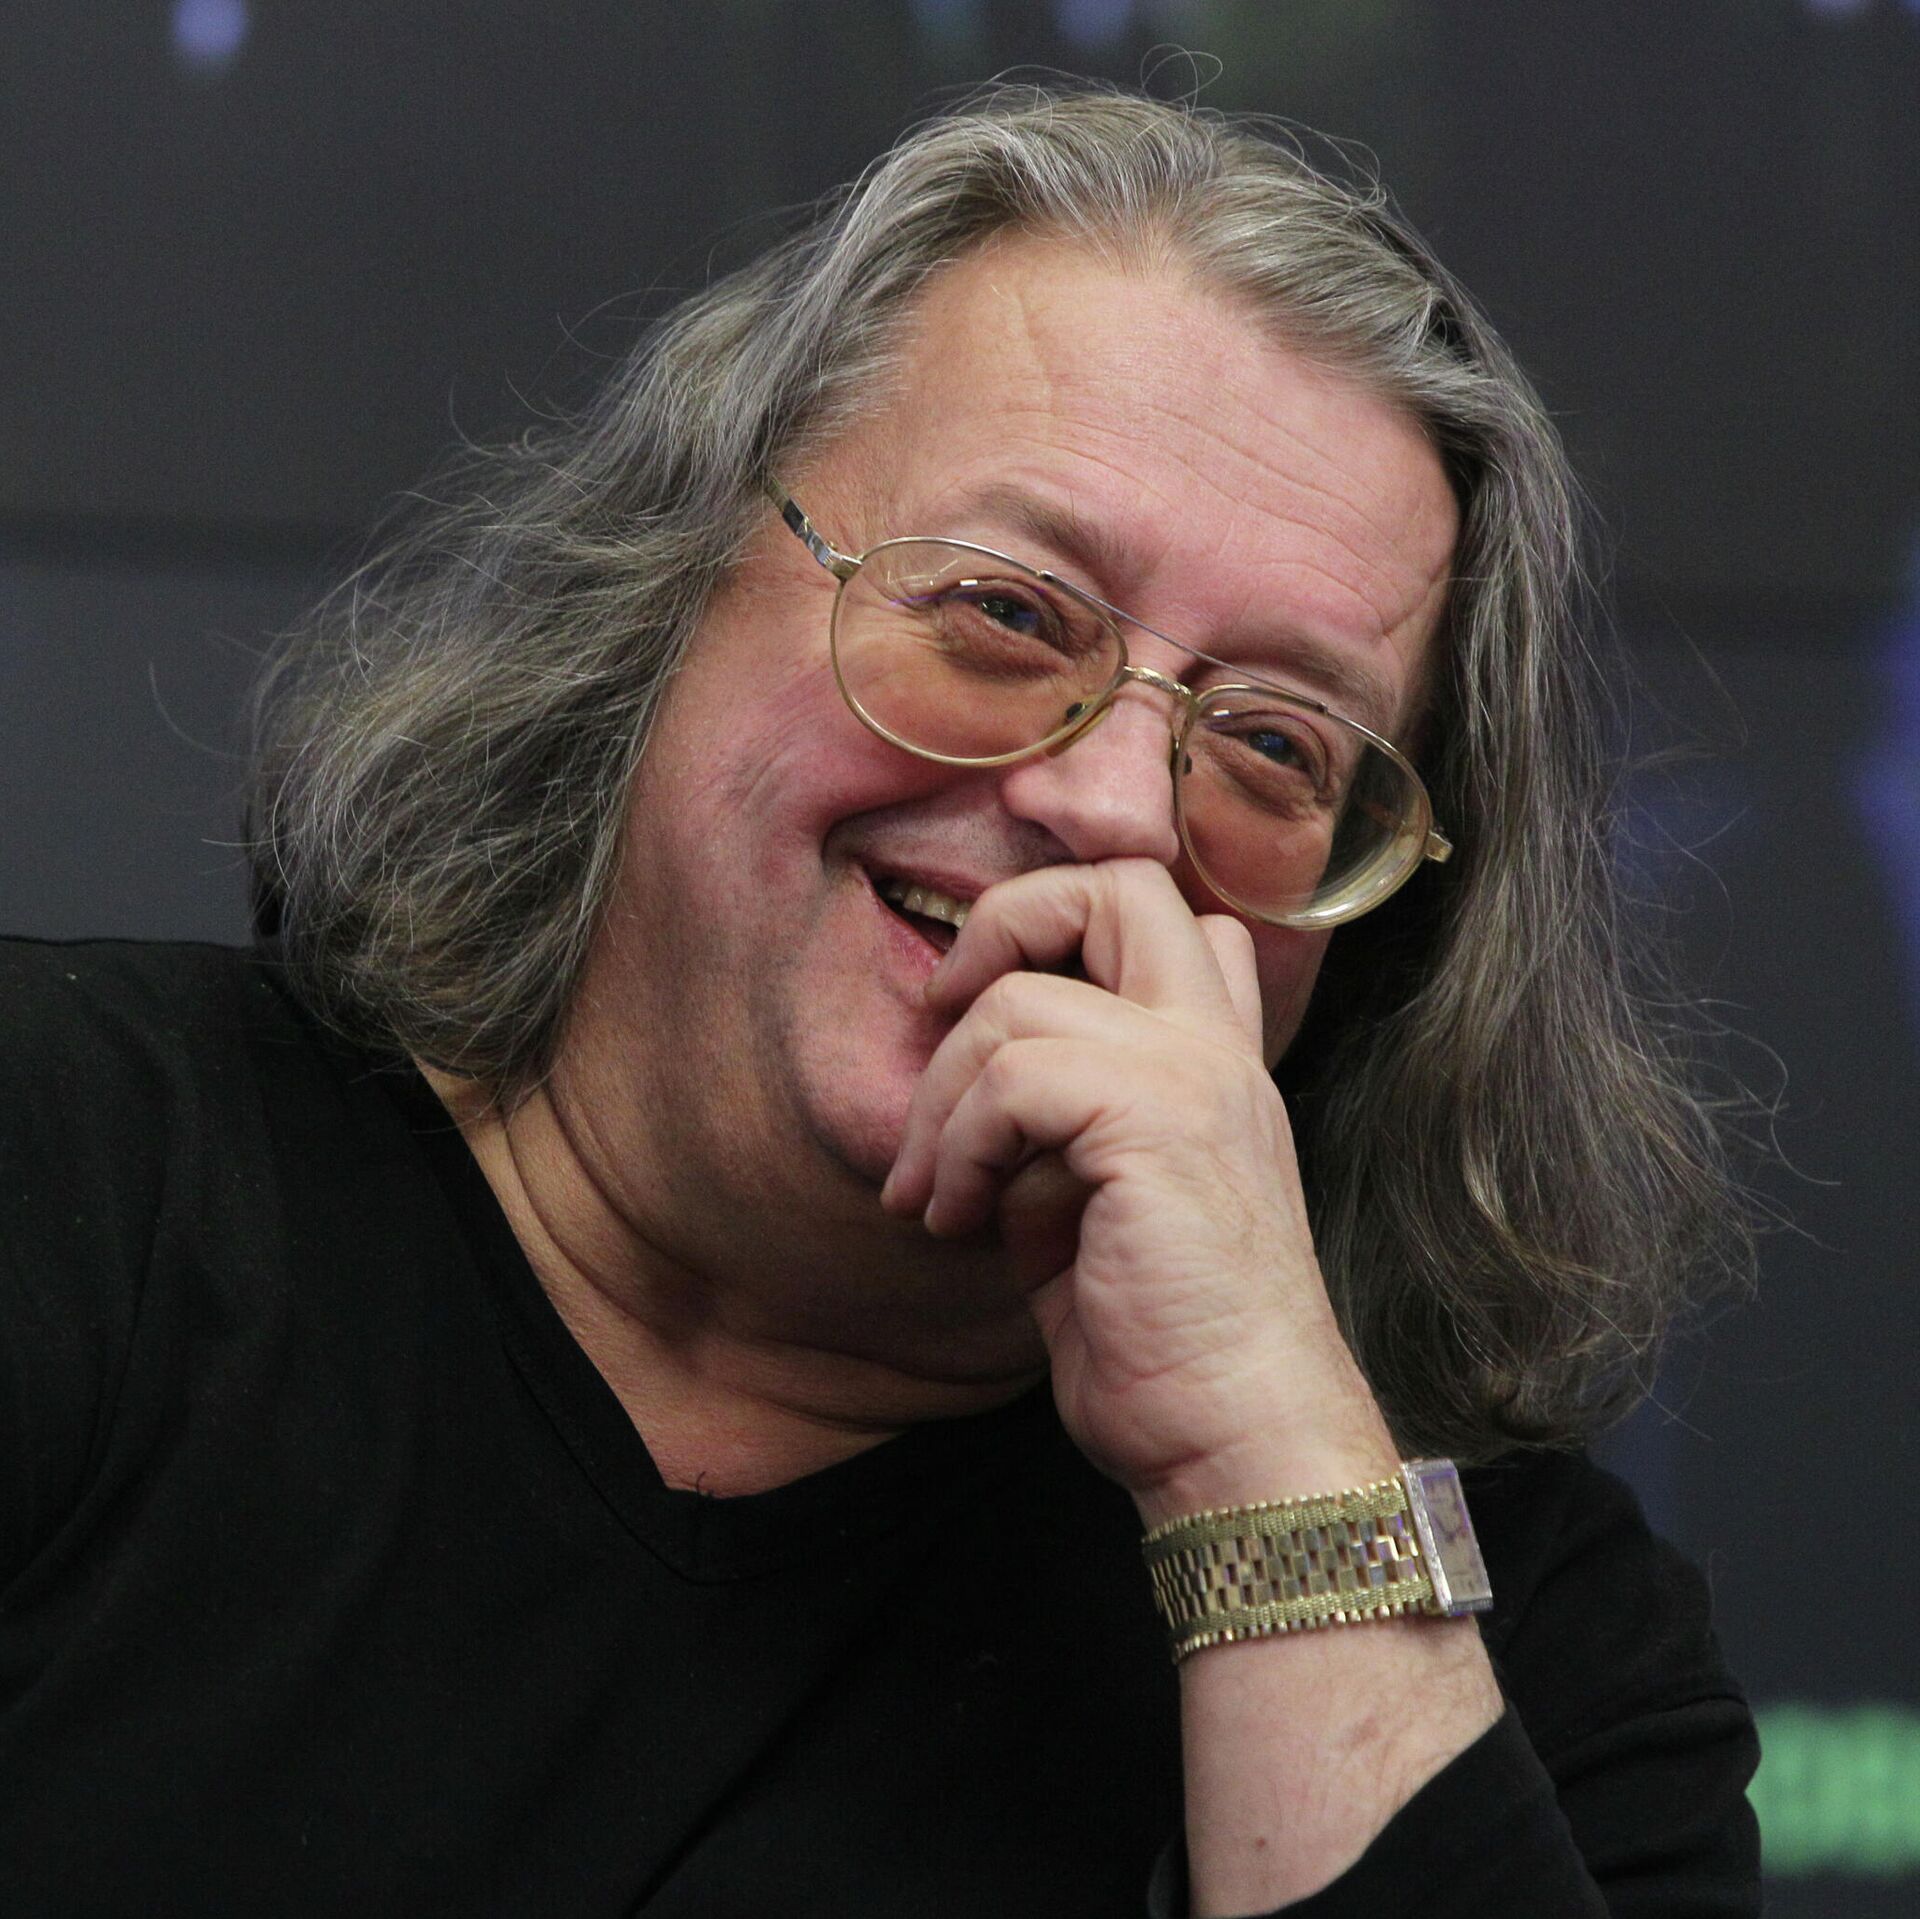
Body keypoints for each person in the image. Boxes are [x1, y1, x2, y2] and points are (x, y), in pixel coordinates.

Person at [0, 86, 1759, 1915]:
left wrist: (1261, 1453)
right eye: (1008, 613)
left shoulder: (1527, 1658)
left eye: (1273, 746)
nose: (1111, 807)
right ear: (672, 586)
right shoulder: (67, 1179)